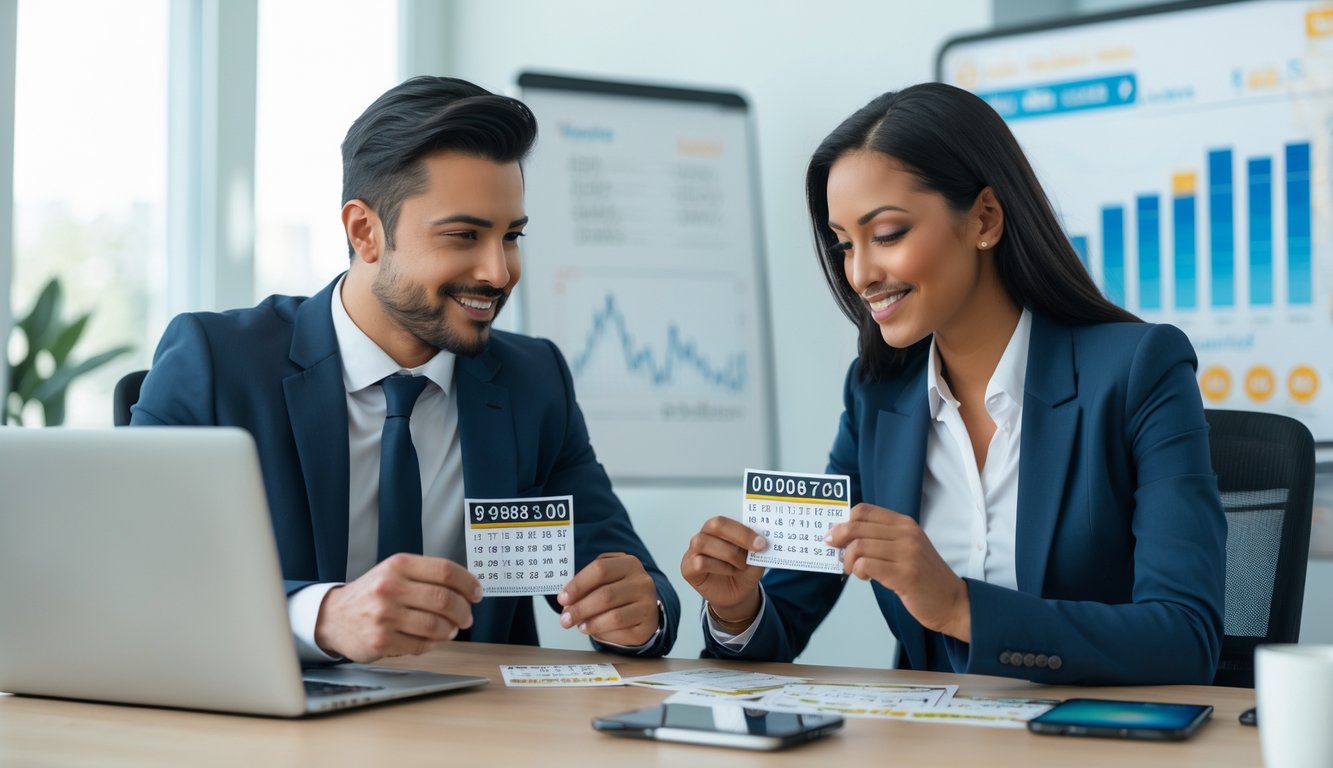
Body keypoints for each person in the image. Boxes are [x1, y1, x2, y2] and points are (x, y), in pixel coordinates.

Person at [680, 83, 1226, 685]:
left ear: (985, 219)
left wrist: (959, 606)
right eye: (843, 245)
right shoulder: (876, 397)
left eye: (886, 234)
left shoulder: (1138, 371)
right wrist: (737, 608)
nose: (860, 274)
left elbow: (1184, 637)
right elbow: (785, 615)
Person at [132, 76, 679, 663]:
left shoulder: (532, 381)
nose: (498, 272)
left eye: (511, 236)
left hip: (474, 735)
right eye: (464, 235)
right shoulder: (215, 363)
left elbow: (627, 577)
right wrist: (320, 616)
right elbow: (135, 574)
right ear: (365, 232)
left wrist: (637, 613)